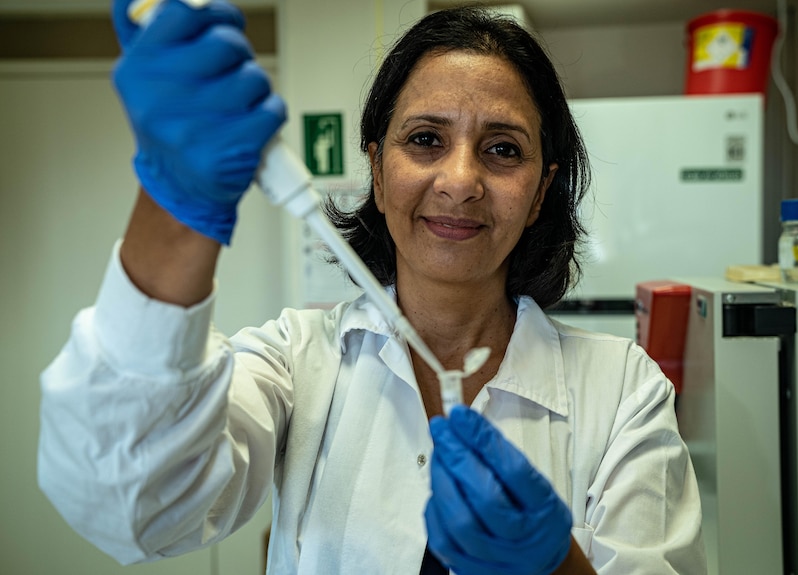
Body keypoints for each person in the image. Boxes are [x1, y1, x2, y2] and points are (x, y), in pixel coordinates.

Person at [37, 1, 706, 574]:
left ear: (538, 194)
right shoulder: (294, 359)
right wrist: (177, 201)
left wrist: (557, 566)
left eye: (503, 148)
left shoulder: (622, 388)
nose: (460, 179)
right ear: (378, 173)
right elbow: (133, 505)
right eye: (425, 139)